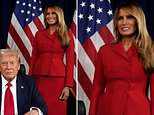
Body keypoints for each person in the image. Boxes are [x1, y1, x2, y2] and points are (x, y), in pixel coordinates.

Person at [89, 1, 154, 115]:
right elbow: (97, 89)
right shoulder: (105, 51)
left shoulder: (150, 50)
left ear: (138, 21)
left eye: (129, 17)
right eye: (120, 18)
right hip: (107, 110)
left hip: (137, 110)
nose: (124, 22)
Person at [29, 5, 74, 115]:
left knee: (57, 110)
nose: (50, 16)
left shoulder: (67, 34)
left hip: (58, 80)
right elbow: (33, 58)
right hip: (39, 78)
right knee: (38, 109)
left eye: (53, 13)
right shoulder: (39, 34)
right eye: (47, 14)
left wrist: (67, 86)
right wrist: (29, 81)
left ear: (59, 15)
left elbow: (70, 61)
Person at [0, 49, 48, 115]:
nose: (8, 67)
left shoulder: (29, 83)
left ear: (19, 66)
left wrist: (35, 111)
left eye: (12, 63)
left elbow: (41, 105)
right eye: (4, 63)